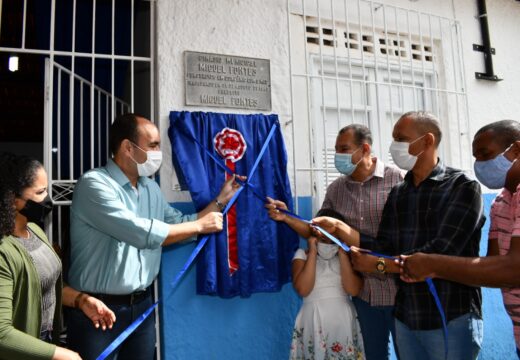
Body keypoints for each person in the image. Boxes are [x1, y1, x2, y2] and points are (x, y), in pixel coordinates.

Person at [66, 113, 242, 360]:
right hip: (96, 310)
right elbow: (140, 232)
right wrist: (200, 226)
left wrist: (220, 201)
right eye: (153, 145)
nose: (158, 152)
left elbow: (180, 224)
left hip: (141, 307)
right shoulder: (94, 185)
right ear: (128, 147)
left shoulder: (150, 188)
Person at [313, 111, 485, 360]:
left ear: (427, 141)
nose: (394, 146)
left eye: (401, 139)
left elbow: (442, 252)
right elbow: (385, 244)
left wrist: (380, 264)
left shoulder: (462, 187)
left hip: (450, 315)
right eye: (394, 138)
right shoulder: (399, 193)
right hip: (406, 315)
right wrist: (344, 234)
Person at [266, 124, 403, 359]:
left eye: (344, 148)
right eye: (336, 149)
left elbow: (405, 237)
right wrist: (286, 216)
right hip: (364, 294)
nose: (338, 155)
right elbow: (318, 231)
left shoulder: (397, 180)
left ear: (365, 148)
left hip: (401, 292)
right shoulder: (337, 189)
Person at [400, 120, 520, 357]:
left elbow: (514, 269)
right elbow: (494, 271)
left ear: (516, 150)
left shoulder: (464, 189)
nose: (481, 165)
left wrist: (433, 264)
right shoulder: (501, 202)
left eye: (486, 154)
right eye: (476, 158)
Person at [0, 152, 115, 360]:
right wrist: (60, 354)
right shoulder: (3, 252)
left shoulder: (35, 230)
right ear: (13, 200)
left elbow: (46, 284)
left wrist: (81, 300)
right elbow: (2, 334)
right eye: (40, 192)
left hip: (44, 344)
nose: (47, 199)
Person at [290, 208, 364, 360]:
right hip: (313, 319)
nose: (328, 243)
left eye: (333, 239)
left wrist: (343, 255)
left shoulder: (350, 258)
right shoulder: (301, 255)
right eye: (323, 238)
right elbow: (303, 289)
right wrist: (312, 252)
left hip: (342, 318)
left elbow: (353, 290)